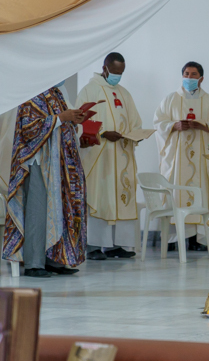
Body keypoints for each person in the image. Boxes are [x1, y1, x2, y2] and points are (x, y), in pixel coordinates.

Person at [3, 83, 87, 277]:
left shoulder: (57, 94)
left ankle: (53, 258)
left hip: (58, 163)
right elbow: (28, 129)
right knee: (38, 213)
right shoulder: (31, 93)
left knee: (57, 211)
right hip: (38, 162)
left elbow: (62, 123)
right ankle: (34, 263)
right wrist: (61, 117)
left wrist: (74, 120)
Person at [76, 53, 142, 261]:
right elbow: (79, 122)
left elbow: (135, 123)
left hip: (121, 156)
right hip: (100, 157)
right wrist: (103, 134)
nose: (117, 76)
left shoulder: (124, 94)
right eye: (114, 72)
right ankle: (94, 245)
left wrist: (134, 135)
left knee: (121, 197)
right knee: (100, 197)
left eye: (120, 73)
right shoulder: (89, 90)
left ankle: (116, 245)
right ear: (104, 68)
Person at [153, 62, 209, 252]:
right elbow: (158, 123)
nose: (189, 78)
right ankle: (175, 238)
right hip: (177, 158)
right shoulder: (170, 99)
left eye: (194, 75)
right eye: (186, 73)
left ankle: (198, 239)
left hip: (202, 157)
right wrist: (173, 126)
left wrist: (204, 126)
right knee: (177, 194)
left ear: (201, 78)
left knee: (200, 192)